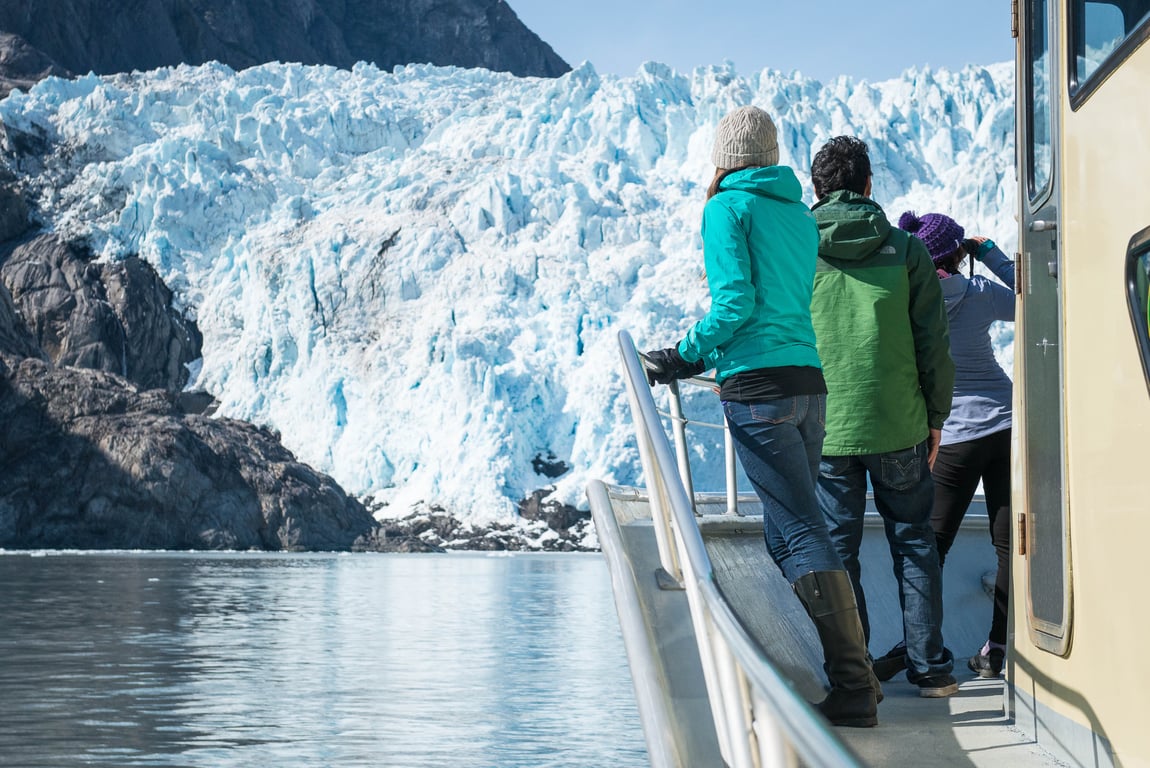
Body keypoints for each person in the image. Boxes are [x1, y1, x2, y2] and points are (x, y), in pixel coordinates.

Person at [645, 106, 878, 727]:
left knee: (800, 530)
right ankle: (856, 673)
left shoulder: (727, 208)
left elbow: (735, 302)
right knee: (789, 530)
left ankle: (855, 685)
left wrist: (682, 355)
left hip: (759, 388)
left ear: (725, 157)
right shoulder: (799, 216)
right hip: (809, 384)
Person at [807, 136, 959, 698]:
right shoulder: (906, 249)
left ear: (816, 190)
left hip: (827, 429)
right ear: (870, 186)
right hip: (901, 426)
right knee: (915, 543)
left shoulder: (799, 250)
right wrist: (936, 415)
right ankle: (931, 669)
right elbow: (932, 343)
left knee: (837, 554)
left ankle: (858, 674)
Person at [897, 211, 1015, 678]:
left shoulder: (909, 300)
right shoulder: (980, 293)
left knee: (931, 546)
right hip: (1006, 424)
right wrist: (988, 255)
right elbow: (1037, 296)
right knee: (1007, 545)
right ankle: (997, 650)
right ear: (956, 253)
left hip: (953, 435)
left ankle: (920, 649)